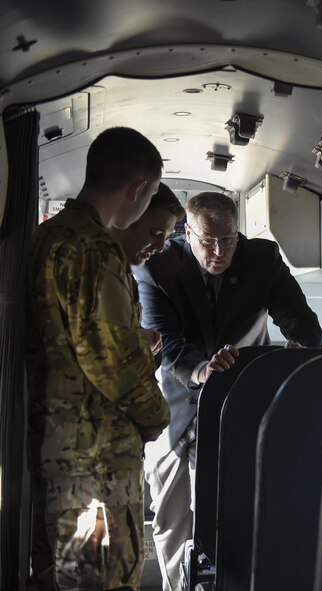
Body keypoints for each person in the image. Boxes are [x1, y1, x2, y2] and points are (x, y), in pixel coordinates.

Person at [133, 191, 322, 591]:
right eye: (208, 241)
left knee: (229, 513)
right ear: (187, 233)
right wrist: (202, 370)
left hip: (239, 399)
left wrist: (302, 347)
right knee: (171, 518)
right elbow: (167, 343)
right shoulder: (159, 267)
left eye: (229, 240)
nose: (220, 251)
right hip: (177, 401)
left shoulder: (262, 259)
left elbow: (301, 319)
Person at [25, 127, 171, 590]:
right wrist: (156, 414)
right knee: (101, 581)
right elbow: (112, 361)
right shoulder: (94, 248)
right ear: (137, 189)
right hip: (97, 463)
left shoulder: (48, 238)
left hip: (60, 453)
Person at [111, 182, 186, 357]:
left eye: (166, 237)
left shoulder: (122, 270)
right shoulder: (96, 264)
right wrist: (137, 345)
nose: (160, 247)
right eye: (156, 234)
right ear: (130, 219)